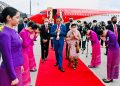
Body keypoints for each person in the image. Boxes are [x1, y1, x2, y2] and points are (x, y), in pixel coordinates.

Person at [0, 7, 24, 86]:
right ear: (9, 18)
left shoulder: (13, 31)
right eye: (17, 17)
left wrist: (20, 65)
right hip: (10, 71)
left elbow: (17, 50)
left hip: (17, 67)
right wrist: (13, 77)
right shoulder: (5, 34)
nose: (19, 19)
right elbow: (7, 56)